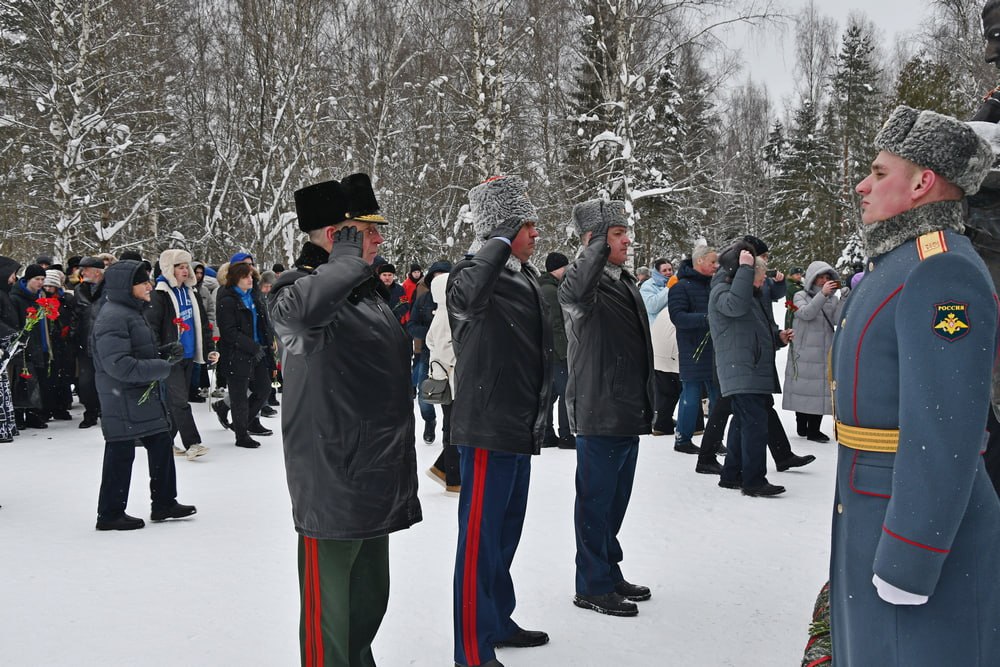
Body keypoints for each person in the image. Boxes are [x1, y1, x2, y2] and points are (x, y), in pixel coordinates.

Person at [830, 106, 1000, 665]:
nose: (863, 185)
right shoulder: (901, 262)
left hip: (912, 523)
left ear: (923, 182)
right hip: (874, 502)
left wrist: (912, 554)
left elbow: (947, 430)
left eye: (879, 173)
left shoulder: (940, 269)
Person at [270, 173, 421, 667]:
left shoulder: (363, 291)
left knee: (367, 599)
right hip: (333, 471)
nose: (379, 239)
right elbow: (294, 318)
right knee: (328, 613)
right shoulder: (300, 288)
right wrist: (344, 263)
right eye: (367, 230)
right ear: (339, 236)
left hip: (374, 468)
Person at [448, 175, 551, 667]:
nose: (535, 234)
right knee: (479, 542)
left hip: (517, 425)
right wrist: (496, 237)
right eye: (524, 225)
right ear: (501, 231)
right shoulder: (470, 272)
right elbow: (466, 301)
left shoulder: (523, 274)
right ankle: (471, 648)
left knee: (504, 535)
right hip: (487, 426)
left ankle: (495, 620)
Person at [560, 199, 654, 617]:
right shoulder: (584, 285)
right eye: (617, 234)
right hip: (599, 408)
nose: (627, 239)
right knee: (596, 502)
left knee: (615, 500)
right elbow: (576, 289)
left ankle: (608, 569)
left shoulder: (623, 280)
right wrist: (596, 244)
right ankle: (592, 584)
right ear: (594, 241)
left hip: (625, 408)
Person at [92, 260, 196, 531]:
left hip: (139, 397)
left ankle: (164, 503)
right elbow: (119, 365)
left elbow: (136, 353)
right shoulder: (113, 316)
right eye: (142, 282)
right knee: (121, 451)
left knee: (161, 442)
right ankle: (110, 513)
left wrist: (162, 353)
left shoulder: (131, 311)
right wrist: (162, 367)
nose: (149, 285)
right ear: (126, 287)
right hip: (122, 399)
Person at [710, 244, 792, 497]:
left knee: (743, 424)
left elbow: (753, 331)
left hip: (750, 368)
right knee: (754, 426)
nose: (763, 280)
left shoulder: (749, 296)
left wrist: (778, 338)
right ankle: (754, 480)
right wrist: (745, 268)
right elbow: (735, 307)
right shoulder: (723, 292)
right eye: (760, 275)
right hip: (741, 369)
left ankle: (732, 474)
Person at [147, 249, 217, 461]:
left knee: (176, 401)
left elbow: (203, 324)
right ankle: (192, 442)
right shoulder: (159, 294)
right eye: (180, 266)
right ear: (169, 268)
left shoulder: (191, 292)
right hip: (170, 357)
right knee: (180, 401)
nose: (185, 270)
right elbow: (152, 327)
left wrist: (208, 349)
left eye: (186, 266)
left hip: (189, 354)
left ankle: (165, 441)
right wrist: (160, 353)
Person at [782, 261, 847, 442]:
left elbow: (836, 319)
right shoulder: (799, 296)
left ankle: (814, 429)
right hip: (803, 349)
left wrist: (843, 300)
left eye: (827, 278)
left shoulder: (831, 298)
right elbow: (806, 313)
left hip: (824, 349)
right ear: (812, 278)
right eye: (820, 277)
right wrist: (822, 295)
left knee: (819, 389)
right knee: (802, 388)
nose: (824, 281)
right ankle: (802, 424)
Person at [667, 244, 719, 453]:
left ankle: (714, 439)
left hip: (714, 349)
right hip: (693, 349)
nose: (716, 266)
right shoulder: (681, 286)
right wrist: (706, 319)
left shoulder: (715, 285)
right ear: (699, 262)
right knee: (691, 395)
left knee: (717, 397)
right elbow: (677, 317)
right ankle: (683, 439)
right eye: (712, 262)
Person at [215, 262, 273, 449]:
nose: (250, 279)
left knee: (263, 389)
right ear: (235, 279)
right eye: (245, 276)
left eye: (251, 276)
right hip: (237, 353)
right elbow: (229, 332)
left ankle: (236, 418)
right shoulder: (227, 299)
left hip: (259, 350)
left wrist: (266, 344)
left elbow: (263, 322)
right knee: (239, 397)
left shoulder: (254, 295)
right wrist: (252, 347)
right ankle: (242, 435)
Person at [423, 260, 460, 492]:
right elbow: (447, 349)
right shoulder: (447, 316)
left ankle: (444, 469)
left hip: (446, 380)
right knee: (455, 430)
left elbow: (430, 342)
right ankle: (454, 478)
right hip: (453, 383)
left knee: (453, 428)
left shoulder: (441, 314)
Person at [641, 256, 680, 436]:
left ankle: (663, 415)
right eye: (664, 271)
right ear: (656, 272)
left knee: (669, 382)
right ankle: (656, 415)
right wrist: (668, 289)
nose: (668, 273)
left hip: (672, 338)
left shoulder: (676, 282)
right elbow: (651, 306)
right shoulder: (648, 286)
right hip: (654, 337)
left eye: (670, 270)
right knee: (659, 380)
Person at [539, 251, 574, 449]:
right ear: (558, 269)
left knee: (551, 393)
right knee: (565, 392)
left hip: (550, 351)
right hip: (557, 351)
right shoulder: (550, 290)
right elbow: (556, 326)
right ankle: (566, 435)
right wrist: (564, 352)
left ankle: (547, 433)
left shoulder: (550, 287)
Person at [71, 257, 106, 428]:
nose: (82, 273)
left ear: (97, 271)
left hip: (105, 342)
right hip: (84, 342)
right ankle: (90, 411)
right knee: (86, 383)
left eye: (85, 269)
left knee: (106, 380)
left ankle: (106, 412)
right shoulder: (79, 289)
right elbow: (76, 314)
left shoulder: (110, 289)